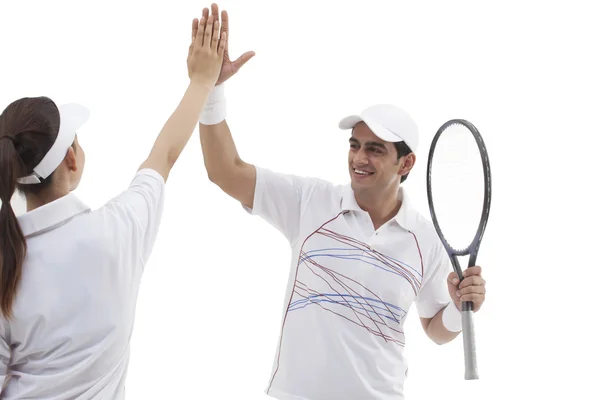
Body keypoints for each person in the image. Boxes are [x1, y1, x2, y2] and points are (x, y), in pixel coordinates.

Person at [198, 4, 487, 400]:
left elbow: (435, 329)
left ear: (406, 162)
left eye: (374, 149)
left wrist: (458, 308)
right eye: (354, 146)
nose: (359, 159)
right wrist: (211, 90)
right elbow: (225, 171)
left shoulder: (425, 240)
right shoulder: (310, 202)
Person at [0, 12, 225, 399]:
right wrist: (203, 81)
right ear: (72, 158)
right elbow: (164, 154)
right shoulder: (119, 230)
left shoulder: (6, 260)